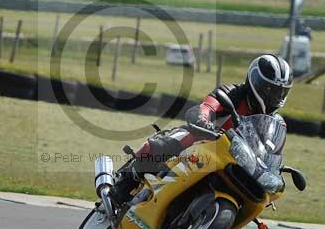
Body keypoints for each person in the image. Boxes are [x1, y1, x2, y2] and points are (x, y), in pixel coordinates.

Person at [112, 54, 294, 203]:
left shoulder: (277, 123)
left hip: (236, 162)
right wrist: (203, 120)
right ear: (255, 81)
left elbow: (271, 152)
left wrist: (274, 169)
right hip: (204, 142)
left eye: (281, 92)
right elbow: (207, 106)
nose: (275, 96)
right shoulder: (233, 93)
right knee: (171, 142)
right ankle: (124, 181)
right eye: (270, 90)